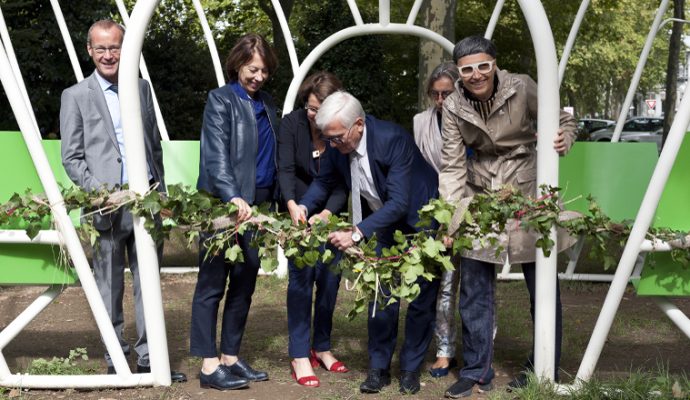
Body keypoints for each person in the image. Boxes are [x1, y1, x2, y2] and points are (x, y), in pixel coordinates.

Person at [438, 35, 576, 398]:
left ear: (495, 64)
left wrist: (565, 135)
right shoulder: (452, 105)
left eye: (484, 65)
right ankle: (475, 370)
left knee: (541, 283)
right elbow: (451, 165)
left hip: (527, 191)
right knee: (474, 288)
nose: (477, 74)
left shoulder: (523, 86)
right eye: (468, 69)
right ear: (459, 73)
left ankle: (542, 365)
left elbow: (562, 117)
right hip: (480, 193)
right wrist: (450, 220)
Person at [60, 20, 186, 382]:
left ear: (126, 49)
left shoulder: (141, 88)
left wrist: (159, 191)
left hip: (146, 202)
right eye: (101, 48)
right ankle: (116, 357)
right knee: (109, 285)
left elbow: (152, 145)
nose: (108, 55)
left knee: (148, 284)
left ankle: (150, 357)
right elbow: (72, 157)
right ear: (89, 51)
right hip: (107, 207)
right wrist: (101, 194)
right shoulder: (76, 95)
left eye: (114, 47)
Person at [298, 91, 440, 395]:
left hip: (419, 218)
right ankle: (378, 369)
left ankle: (411, 369)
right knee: (381, 294)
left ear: (358, 125)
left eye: (336, 138)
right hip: (382, 219)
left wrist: (356, 232)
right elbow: (324, 181)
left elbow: (400, 202)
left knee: (420, 299)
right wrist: (305, 207)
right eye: (328, 139)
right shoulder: (338, 142)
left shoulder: (392, 139)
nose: (332, 144)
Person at [190, 33, 279, 391]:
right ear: (237, 64)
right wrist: (231, 196)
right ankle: (209, 366)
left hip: (256, 209)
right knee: (212, 284)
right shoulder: (220, 100)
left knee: (245, 282)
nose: (258, 77)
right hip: (222, 207)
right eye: (252, 69)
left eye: (264, 71)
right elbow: (215, 157)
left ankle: (230, 356)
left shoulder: (269, 105)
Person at [277, 72, 349, 387]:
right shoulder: (291, 125)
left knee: (330, 281)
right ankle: (299, 354)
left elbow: (343, 180)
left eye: (320, 109)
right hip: (297, 212)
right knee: (301, 281)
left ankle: (321, 347)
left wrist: (328, 212)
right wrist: (294, 205)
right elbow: (286, 169)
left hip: (331, 212)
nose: (313, 115)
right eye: (310, 108)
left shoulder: (340, 129)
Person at [412, 61, 462, 378]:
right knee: (439, 285)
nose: (441, 100)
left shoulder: (472, 119)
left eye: (448, 93)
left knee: (472, 286)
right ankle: (443, 351)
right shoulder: (420, 122)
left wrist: (456, 218)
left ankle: (478, 349)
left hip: (468, 208)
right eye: (436, 94)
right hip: (431, 211)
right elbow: (418, 167)